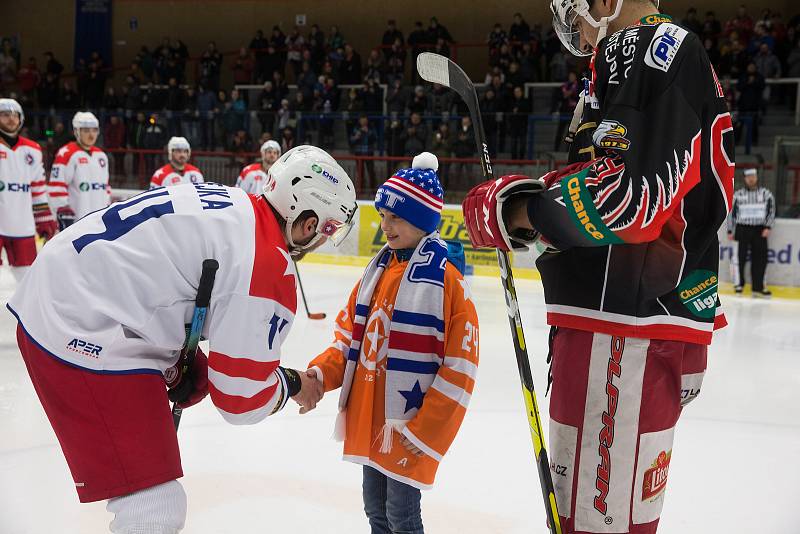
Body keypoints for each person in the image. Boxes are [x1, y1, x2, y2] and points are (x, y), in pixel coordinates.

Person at [461, 1, 735, 533]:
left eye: (579, 20)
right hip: (642, 323)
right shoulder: (670, 55)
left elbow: (626, 199)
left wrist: (516, 210)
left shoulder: (640, 49)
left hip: (617, 329)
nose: (584, 41)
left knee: (592, 525)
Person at [7, 145, 358, 534]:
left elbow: (158, 273)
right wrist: (293, 384)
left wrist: (174, 356)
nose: (324, 239)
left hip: (68, 288)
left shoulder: (232, 201)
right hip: (77, 321)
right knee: (154, 508)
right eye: (328, 229)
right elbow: (240, 399)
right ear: (308, 222)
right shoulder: (267, 262)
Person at [307, 152, 478, 534]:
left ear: (422, 219)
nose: (385, 225)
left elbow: (461, 367)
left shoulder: (447, 282)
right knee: (376, 513)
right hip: (371, 419)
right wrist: (319, 374)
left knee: (402, 517)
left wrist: (428, 429)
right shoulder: (378, 272)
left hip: (407, 425)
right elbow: (349, 338)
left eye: (396, 217)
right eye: (383, 215)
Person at [0, 98, 57, 282]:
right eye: (5, 115)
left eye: (15, 115)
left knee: (27, 277)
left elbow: (38, 188)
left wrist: (44, 219)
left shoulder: (33, 149)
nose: (11, 119)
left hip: (22, 224)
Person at [48, 112, 111, 230]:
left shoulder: (101, 156)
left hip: (99, 222)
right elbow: (56, 187)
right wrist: (63, 212)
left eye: (94, 130)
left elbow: (106, 188)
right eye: (86, 131)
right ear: (77, 131)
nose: (91, 135)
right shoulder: (66, 153)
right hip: (76, 222)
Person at [728, 168, 775, 297]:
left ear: (757, 177)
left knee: (760, 259)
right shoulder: (738, 195)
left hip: (760, 229)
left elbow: (771, 211)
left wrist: (768, 227)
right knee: (739, 259)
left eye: (753, 176)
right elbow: (731, 213)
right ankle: (738, 285)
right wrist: (730, 229)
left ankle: (758, 287)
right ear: (744, 179)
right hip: (742, 229)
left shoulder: (766, 194)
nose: (751, 178)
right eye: (748, 176)